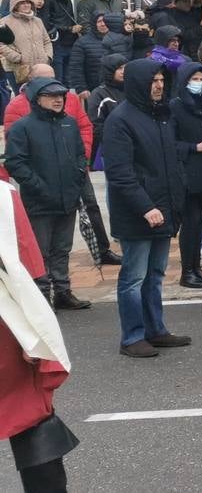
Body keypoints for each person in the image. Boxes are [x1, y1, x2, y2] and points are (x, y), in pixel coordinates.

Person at [101, 59, 192, 358]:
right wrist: (146, 207)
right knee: (134, 277)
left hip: (163, 209)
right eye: (153, 80)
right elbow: (120, 173)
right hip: (138, 213)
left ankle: (156, 330)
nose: (159, 85)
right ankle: (132, 337)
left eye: (161, 80)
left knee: (155, 274)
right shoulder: (121, 119)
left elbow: (170, 163)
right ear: (138, 82)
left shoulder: (162, 115)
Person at [1, 177, 81, 493]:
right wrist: (33, 332)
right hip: (8, 322)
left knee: (31, 416)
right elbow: (28, 267)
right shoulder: (4, 195)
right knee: (30, 414)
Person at [4, 77, 94, 310]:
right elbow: (16, 163)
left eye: (61, 95)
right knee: (40, 251)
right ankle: (42, 295)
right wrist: (39, 187)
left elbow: (79, 154)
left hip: (68, 198)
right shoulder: (23, 127)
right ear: (37, 99)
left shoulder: (69, 123)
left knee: (62, 249)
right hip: (39, 201)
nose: (58, 100)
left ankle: (63, 291)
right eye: (51, 96)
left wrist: (76, 179)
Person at [168, 62, 202, 290]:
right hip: (188, 171)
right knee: (190, 223)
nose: (198, 83)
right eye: (195, 79)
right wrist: (193, 147)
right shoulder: (175, 106)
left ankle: (196, 268)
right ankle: (187, 270)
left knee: (200, 221)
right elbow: (170, 142)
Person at [0, 0, 52, 94]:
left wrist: (48, 56)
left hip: (41, 68)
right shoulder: (5, 22)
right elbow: (2, 44)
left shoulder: (38, 21)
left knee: (42, 97)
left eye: (28, 2)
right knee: (23, 99)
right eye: (22, 3)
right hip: (19, 70)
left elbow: (47, 41)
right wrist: (18, 58)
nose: (26, 5)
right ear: (15, 5)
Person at [39, 0, 79, 81]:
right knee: (58, 79)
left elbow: (70, 18)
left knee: (68, 79)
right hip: (56, 44)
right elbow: (45, 23)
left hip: (70, 42)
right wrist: (69, 28)